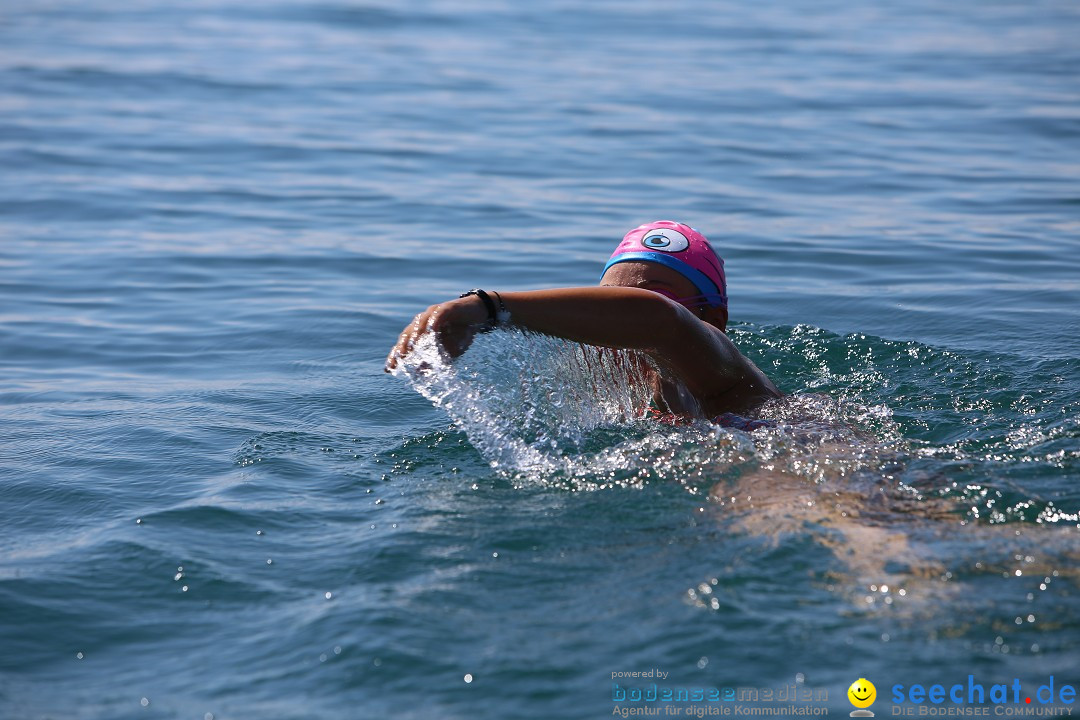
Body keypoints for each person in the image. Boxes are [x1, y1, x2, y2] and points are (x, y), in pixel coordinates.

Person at [386, 220, 782, 419]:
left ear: (711, 316)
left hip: (801, 457)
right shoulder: (640, 408)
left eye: (630, 302)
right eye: (606, 303)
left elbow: (660, 321)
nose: (614, 320)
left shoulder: (723, 374)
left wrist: (488, 307)